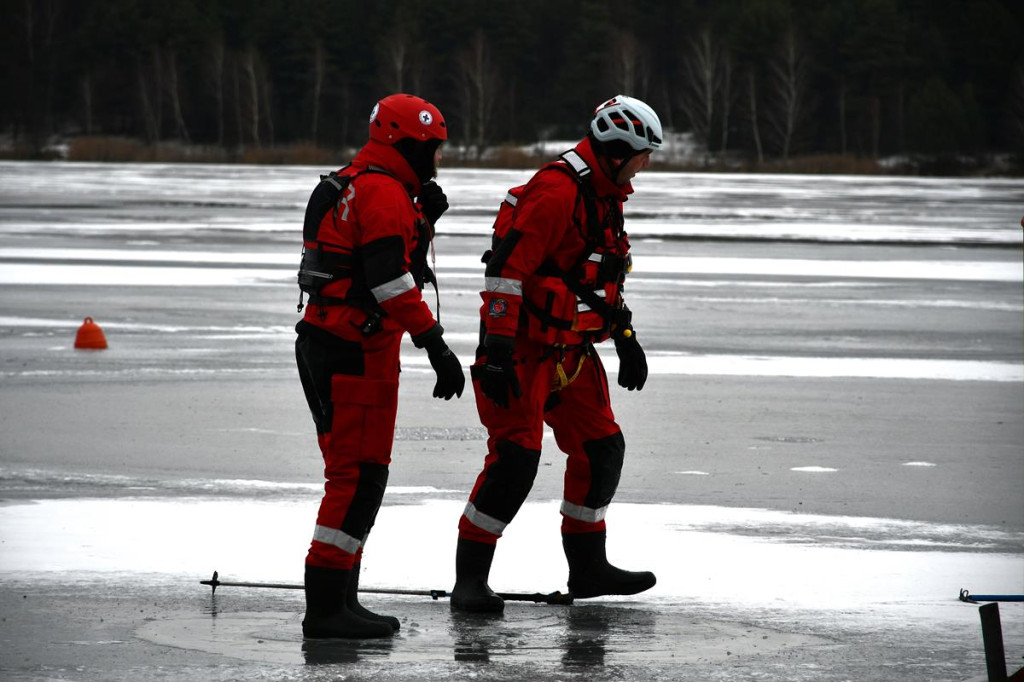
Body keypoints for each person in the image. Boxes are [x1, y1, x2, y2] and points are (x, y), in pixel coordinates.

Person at [451, 95, 663, 613]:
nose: (648, 164)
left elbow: (597, 278)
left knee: (601, 449)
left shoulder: (605, 194)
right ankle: (470, 580)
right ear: (616, 150)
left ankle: (588, 568)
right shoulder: (557, 191)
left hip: (571, 351)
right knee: (515, 461)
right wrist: (498, 347)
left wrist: (627, 339)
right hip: (521, 349)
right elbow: (505, 271)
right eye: (644, 153)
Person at [294, 93, 465, 638]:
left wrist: (425, 222)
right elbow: (391, 281)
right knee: (356, 477)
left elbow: (381, 264)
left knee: (358, 474)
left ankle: (341, 599)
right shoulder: (384, 193)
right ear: (407, 144)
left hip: (332, 343)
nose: (437, 158)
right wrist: (435, 341)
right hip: (352, 350)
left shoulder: (358, 182)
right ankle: (326, 610)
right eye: (432, 148)